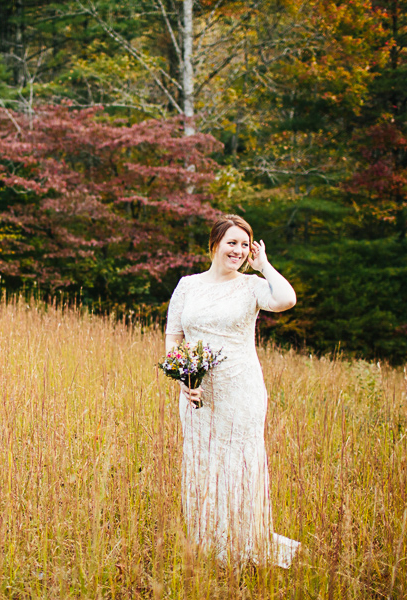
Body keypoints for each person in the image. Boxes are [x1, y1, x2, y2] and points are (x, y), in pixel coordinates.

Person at [164, 214, 300, 568]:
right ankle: (209, 543)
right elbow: (173, 338)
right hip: (197, 393)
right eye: (232, 243)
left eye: (245, 244)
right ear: (214, 245)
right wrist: (183, 379)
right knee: (202, 462)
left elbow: (287, 300)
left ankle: (242, 544)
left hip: (241, 390)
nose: (238, 250)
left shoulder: (252, 287)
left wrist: (264, 265)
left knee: (238, 465)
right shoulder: (187, 285)